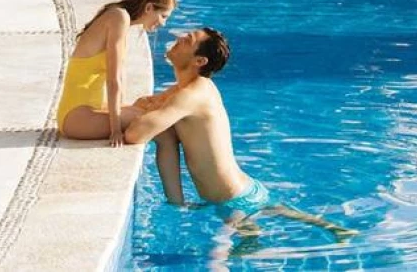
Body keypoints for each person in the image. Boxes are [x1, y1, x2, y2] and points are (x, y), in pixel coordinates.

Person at [122, 27, 350, 253]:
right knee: (278, 211)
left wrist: (141, 114)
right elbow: (148, 102)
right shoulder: (191, 89)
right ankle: (337, 229)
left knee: (219, 256)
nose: (180, 38)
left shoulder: (191, 95)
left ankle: (254, 237)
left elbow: (135, 134)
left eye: (188, 39)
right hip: (246, 188)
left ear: (199, 60)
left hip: (231, 198)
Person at [57, 0, 175, 142]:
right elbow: (113, 80)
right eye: (163, 16)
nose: (163, 23)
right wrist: (116, 130)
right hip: (76, 117)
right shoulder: (119, 18)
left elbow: (118, 78)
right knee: (152, 119)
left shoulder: (119, 17)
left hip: (84, 111)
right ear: (149, 8)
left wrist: (124, 109)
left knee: (145, 107)